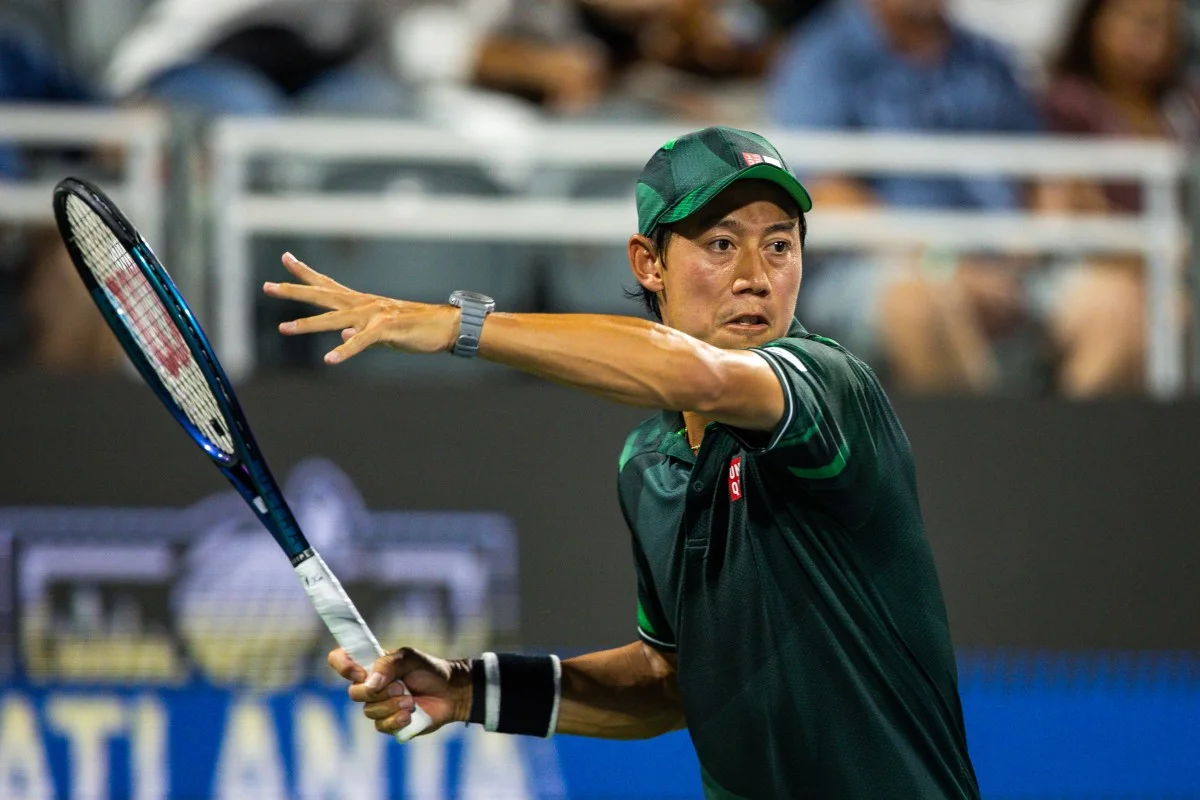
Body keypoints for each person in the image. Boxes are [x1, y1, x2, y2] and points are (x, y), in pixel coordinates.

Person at [264, 126, 980, 798]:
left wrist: (462, 324)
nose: (755, 277)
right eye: (721, 244)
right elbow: (670, 681)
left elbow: (696, 376)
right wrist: (466, 689)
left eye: (780, 246)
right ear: (649, 264)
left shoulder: (828, 385)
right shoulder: (648, 464)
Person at [767, 0, 1046, 394]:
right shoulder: (822, 55)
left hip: (1009, 265)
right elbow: (823, 190)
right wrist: (945, 263)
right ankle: (986, 453)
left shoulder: (992, 60)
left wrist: (1028, 249)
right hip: (873, 263)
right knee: (918, 305)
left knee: (1112, 308)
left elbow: (1041, 177)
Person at [1035, 0, 1195, 394]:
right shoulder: (1066, 105)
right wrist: (1156, 262)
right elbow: (1076, 213)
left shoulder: (1185, 111)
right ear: (1096, 22)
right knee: (1122, 312)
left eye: (1161, 27)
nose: (1147, 41)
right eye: (1134, 22)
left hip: (1172, 273)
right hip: (1080, 270)